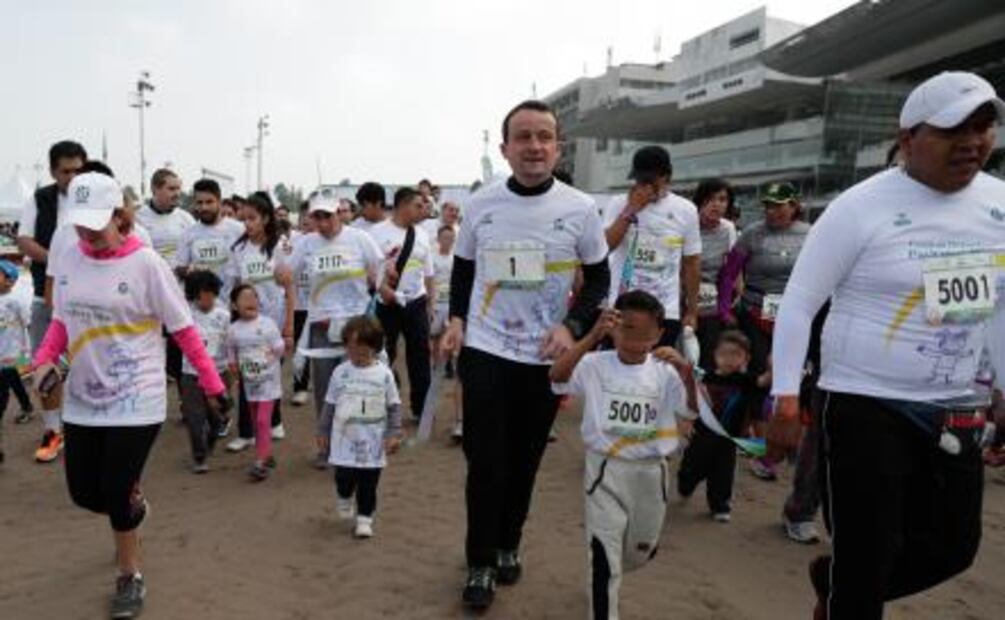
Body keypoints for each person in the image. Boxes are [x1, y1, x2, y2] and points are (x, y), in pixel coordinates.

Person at [771, 71, 1005, 620]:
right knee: (867, 558)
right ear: (907, 139)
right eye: (953, 130)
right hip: (862, 403)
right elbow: (801, 301)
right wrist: (784, 396)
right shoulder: (860, 207)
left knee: (952, 549)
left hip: (954, 407)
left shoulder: (1000, 204)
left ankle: (835, 582)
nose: (973, 141)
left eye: (984, 126)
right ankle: (850, 589)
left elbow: (999, 303)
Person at [33, 172, 227, 618]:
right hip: (83, 397)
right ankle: (134, 508)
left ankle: (129, 575)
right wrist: (43, 359)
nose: (86, 231)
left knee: (116, 492)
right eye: (78, 222)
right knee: (85, 494)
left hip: (137, 397)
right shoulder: (70, 253)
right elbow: (63, 321)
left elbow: (183, 330)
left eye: (95, 222)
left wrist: (214, 387)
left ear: (120, 216)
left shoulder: (147, 265)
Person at [441, 100, 610, 610]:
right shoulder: (482, 205)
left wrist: (573, 325)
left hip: (545, 358)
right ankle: (480, 561)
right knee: (485, 463)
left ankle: (509, 542)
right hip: (487, 349)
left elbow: (600, 277)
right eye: (523, 137)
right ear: (505, 148)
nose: (534, 147)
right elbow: (464, 271)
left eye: (544, 137)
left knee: (524, 461)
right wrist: (455, 320)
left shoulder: (580, 208)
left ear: (558, 147)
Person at [550, 292, 695, 620]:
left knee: (640, 552)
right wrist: (591, 337)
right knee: (603, 558)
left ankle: (612, 569)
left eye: (645, 335)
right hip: (605, 470)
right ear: (614, 327)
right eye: (627, 330)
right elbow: (557, 377)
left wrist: (686, 373)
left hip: (651, 473)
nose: (634, 341)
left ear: (659, 333)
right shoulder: (593, 364)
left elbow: (690, 412)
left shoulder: (666, 371)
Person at [287, 196, 384, 468]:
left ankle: (356, 444)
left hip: (356, 326)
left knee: (356, 385)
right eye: (316, 217)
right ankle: (327, 447)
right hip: (322, 326)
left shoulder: (359, 239)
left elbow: (379, 268)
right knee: (326, 389)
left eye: (327, 216)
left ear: (339, 214)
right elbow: (287, 274)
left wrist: (376, 288)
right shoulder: (305, 243)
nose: (322, 223)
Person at [718, 182, 810, 438]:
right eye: (768, 206)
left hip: (792, 317)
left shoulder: (811, 233)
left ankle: (786, 434)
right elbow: (729, 275)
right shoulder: (752, 233)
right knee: (759, 374)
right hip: (755, 313)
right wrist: (725, 309)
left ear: (794, 206)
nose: (772, 212)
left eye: (779, 206)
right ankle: (758, 438)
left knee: (791, 375)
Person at [16, 140, 86, 463]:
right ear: (53, 171)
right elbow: (24, 240)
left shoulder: (96, 197)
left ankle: (86, 429)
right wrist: (58, 259)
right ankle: (51, 430)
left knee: (89, 364)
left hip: (90, 299)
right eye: (65, 171)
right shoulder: (39, 199)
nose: (72, 177)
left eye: (78, 169)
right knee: (45, 367)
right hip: (48, 296)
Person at [602, 145, 701, 354]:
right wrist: (631, 209)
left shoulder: (686, 210)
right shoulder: (617, 203)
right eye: (640, 180)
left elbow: (692, 263)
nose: (644, 186)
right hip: (621, 307)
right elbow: (605, 247)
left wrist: (692, 310)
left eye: (651, 180)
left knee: (657, 375)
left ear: (666, 176)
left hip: (665, 309)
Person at [317, 316, 403, 538]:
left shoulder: (384, 374)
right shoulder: (340, 372)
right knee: (344, 477)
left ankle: (365, 518)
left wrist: (394, 433)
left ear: (375, 348)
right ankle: (344, 496)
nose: (356, 356)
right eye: (351, 349)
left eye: (363, 351)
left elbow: (394, 406)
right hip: (344, 440)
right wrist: (323, 430)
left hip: (373, 441)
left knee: (369, 482)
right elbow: (329, 404)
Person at [224, 193, 294, 452]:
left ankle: (274, 421)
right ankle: (246, 432)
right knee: (248, 374)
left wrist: (289, 326)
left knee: (270, 373)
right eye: (245, 219)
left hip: (273, 324)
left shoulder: (281, 246)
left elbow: (290, 287)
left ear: (266, 218)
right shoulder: (238, 250)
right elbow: (232, 287)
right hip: (246, 325)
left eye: (253, 218)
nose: (248, 224)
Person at [370, 187, 436, 422]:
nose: (424, 210)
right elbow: (369, 271)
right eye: (419, 205)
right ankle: (385, 407)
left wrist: (431, 303)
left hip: (416, 302)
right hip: (386, 304)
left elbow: (429, 273)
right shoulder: (376, 233)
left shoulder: (423, 234)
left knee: (420, 356)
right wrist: (383, 288)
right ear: (402, 205)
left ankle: (422, 408)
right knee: (383, 355)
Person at [677, 330, 758, 522]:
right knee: (692, 468)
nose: (729, 359)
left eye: (736, 354)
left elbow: (764, 382)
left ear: (746, 358)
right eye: (724, 353)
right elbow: (692, 402)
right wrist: (687, 422)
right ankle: (685, 484)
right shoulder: (705, 377)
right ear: (715, 355)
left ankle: (720, 506)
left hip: (729, 440)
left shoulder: (747, 381)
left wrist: (776, 367)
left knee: (723, 473)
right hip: (702, 435)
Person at [227, 283, 285, 481]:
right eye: (244, 298)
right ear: (235, 306)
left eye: (253, 297)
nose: (250, 301)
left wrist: (267, 357)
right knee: (255, 421)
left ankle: (260, 462)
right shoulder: (233, 329)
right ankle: (266, 454)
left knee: (262, 420)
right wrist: (234, 368)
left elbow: (280, 347)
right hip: (249, 383)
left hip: (269, 381)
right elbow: (231, 351)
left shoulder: (267, 323)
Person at [181, 271, 232, 473]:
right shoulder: (185, 315)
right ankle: (199, 457)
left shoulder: (224, 315)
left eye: (210, 292)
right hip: (190, 373)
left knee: (216, 416)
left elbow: (229, 344)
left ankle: (213, 435)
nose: (207, 297)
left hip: (218, 373)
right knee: (194, 417)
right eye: (202, 293)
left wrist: (231, 370)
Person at [175, 178, 245, 302]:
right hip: (201, 308)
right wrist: (190, 271)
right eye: (199, 202)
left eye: (209, 202)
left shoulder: (238, 230)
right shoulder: (187, 234)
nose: (204, 207)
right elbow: (180, 269)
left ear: (219, 202)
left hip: (233, 305)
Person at [693, 178, 737, 371]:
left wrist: (732, 301)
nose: (716, 204)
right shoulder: (688, 224)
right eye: (710, 199)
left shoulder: (728, 229)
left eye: (722, 199)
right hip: (681, 299)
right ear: (700, 201)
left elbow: (732, 270)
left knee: (708, 360)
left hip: (712, 301)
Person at [430, 224, 462, 440]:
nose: (448, 240)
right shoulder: (432, 258)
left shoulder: (456, 259)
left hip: (451, 305)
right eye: (445, 237)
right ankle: (437, 366)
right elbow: (430, 280)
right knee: (435, 339)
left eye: (451, 237)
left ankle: (450, 364)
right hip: (436, 303)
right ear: (439, 238)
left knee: (450, 340)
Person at [0, 260, 33, 450]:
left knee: (4, 386)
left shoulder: (15, 301)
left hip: (13, 351)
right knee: (13, 380)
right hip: (1, 352)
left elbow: (27, 322)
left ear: (10, 281)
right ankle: (27, 406)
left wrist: (29, 349)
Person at [290, 208, 316, 406]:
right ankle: (300, 387)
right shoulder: (293, 244)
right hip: (299, 304)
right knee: (301, 346)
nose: (307, 223)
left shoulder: (328, 242)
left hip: (322, 305)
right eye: (303, 220)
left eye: (311, 219)